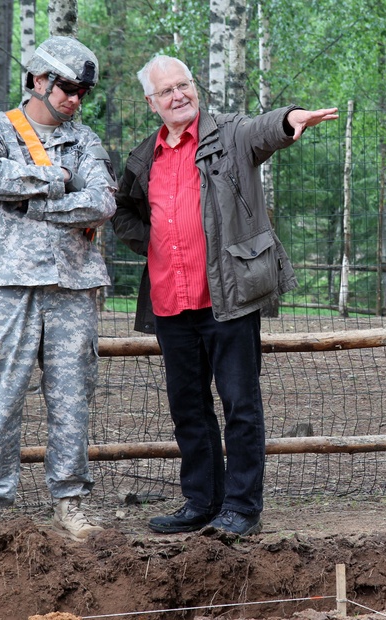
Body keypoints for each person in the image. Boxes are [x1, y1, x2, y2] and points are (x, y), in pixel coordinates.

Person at [112, 55, 337, 537]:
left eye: (184, 85)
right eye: (166, 91)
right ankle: (202, 501)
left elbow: (266, 129)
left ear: (195, 87)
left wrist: (290, 118)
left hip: (227, 299)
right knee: (188, 407)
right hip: (170, 301)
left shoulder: (230, 134)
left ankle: (241, 507)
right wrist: (150, 242)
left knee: (239, 404)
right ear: (151, 103)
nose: (178, 95)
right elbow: (123, 211)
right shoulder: (143, 156)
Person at [0, 36, 117, 543]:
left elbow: (102, 202)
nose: (75, 99)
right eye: (68, 87)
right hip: (6, 285)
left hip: (73, 286)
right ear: (37, 80)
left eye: (82, 92)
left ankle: (69, 502)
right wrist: (58, 177)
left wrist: (36, 203)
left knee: (72, 397)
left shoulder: (84, 138)